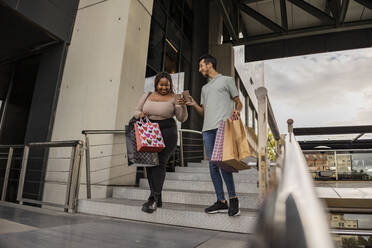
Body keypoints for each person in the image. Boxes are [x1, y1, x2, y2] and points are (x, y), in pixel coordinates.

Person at [187, 54, 242, 217]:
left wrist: (237, 112)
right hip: (207, 130)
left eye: (201, 66)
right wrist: (194, 104)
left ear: (209, 64)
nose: (199, 69)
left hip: (223, 126)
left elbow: (239, 102)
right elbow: (204, 112)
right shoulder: (204, 88)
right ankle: (221, 201)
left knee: (223, 162)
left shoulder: (227, 80)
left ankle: (233, 199)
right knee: (212, 165)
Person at [134, 72, 188, 213]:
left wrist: (183, 106)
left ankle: (152, 198)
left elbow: (182, 118)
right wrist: (139, 114)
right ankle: (158, 197)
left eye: (167, 85)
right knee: (150, 163)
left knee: (160, 163)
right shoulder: (147, 95)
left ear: (170, 84)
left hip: (167, 131)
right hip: (149, 130)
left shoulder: (175, 97)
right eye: (161, 84)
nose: (164, 87)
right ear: (156, 84)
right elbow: (136, 110)